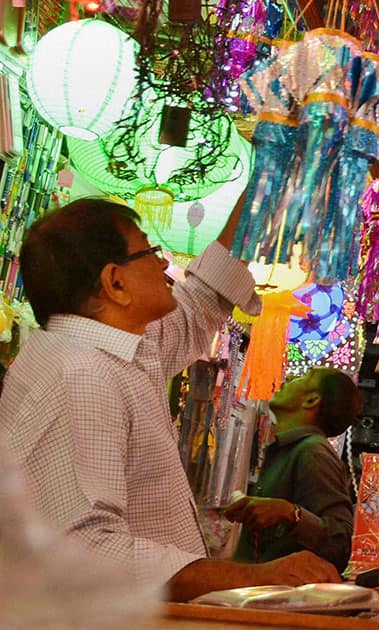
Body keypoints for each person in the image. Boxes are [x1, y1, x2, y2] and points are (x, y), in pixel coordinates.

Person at [0, 197, 341, 603]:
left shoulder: (120, 348)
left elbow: (201, 299)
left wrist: (268, 185)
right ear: (115, 283)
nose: (164, 264)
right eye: (149, 252)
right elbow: (84, 550)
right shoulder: (81, 374)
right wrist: (251, 578)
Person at [225, 367, 359, 572]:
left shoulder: (313, 452)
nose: (289, 378)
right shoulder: (289, 450)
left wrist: (289, 513)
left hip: (281, 596)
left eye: (303, 377)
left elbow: (339, 546)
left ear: (311, 401)